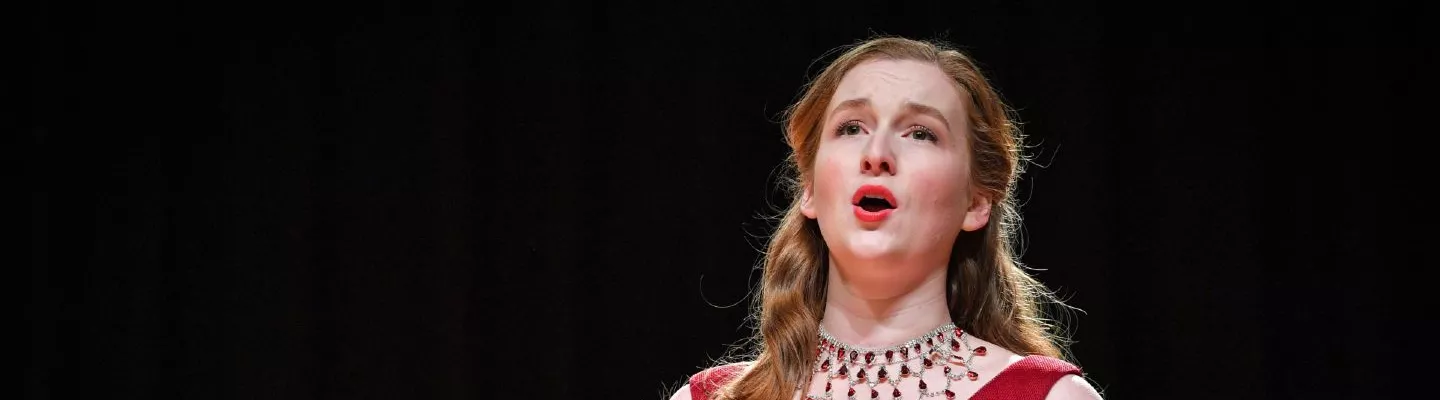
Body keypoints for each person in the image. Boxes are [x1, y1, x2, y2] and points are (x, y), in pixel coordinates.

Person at [670, 36, 1103, 400]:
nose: (876, 155)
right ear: (810, 190)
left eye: (921, 133)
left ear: (976, 202)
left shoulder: (1049, 395)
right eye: (851, 127)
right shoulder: (706, 398)